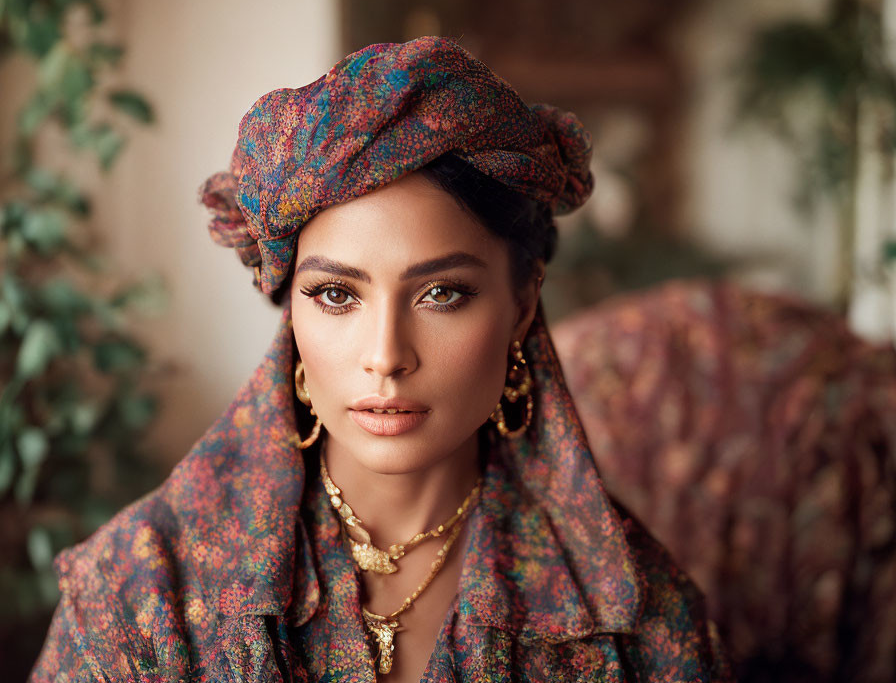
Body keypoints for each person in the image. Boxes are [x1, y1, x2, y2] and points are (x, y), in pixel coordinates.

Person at [29, 36, 731, 682]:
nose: (385, 356)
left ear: (522, 304)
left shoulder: (637, 623)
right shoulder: (136, 600)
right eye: (336, 294)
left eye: (442, 294)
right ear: (290, 307)